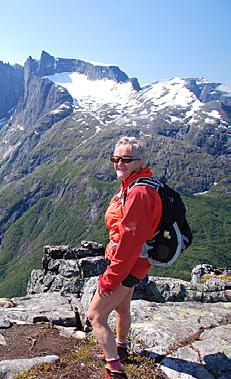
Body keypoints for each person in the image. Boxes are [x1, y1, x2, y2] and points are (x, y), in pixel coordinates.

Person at [87, 136, 162, 379]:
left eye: (126, 159)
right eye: (116, 158)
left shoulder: (138, 192)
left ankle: (115, 370)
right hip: (135, 264)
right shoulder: (137, 184)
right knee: (122, 308)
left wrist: (110, 278)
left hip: (128, 264)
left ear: (140, 162)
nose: (119, 163)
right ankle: (120, 348)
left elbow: (130, 243)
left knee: (96, 316)